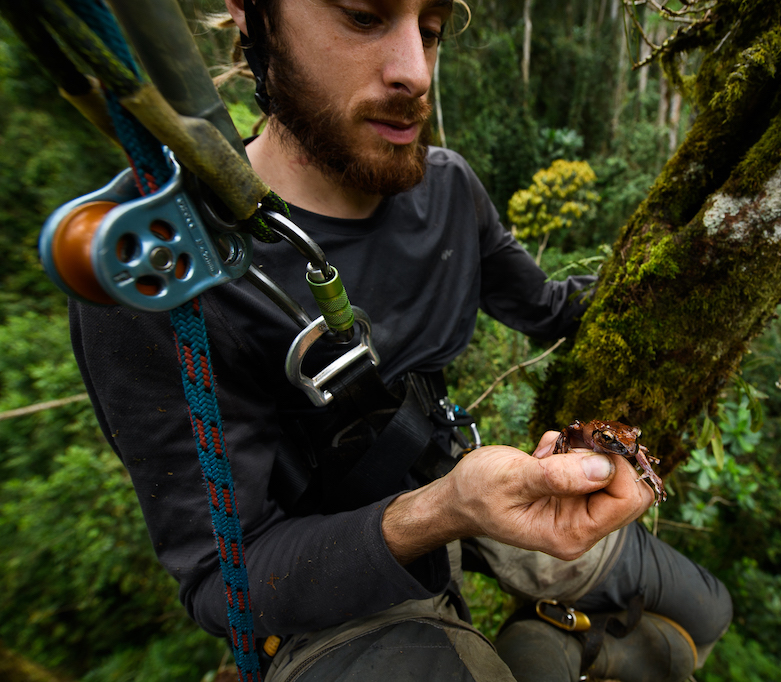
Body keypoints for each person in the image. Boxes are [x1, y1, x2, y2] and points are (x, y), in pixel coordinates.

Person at [69, 0, 732, 679]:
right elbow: (226, 582)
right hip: (318, 577)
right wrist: (443, 509)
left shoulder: (446, 191)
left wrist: (699, 266)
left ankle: (549, 647)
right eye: (363, 16)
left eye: (433, 29)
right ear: (251, 13)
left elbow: (550, 309)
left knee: (703, 613)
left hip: (445, 469)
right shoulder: (169, 265)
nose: (416, 71)